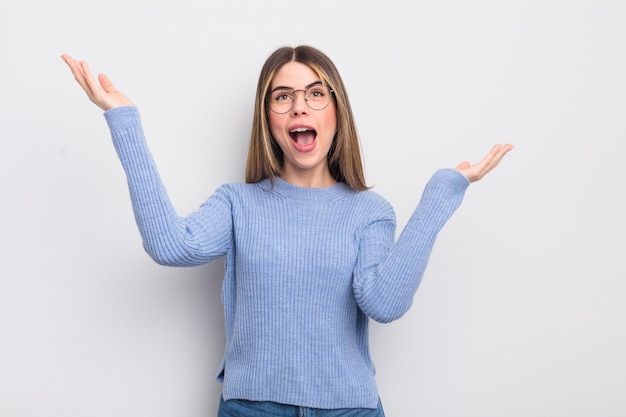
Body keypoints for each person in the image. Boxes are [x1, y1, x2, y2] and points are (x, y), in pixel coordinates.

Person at [61, 45, 513, 417]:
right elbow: (170, 245)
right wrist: (124, 120)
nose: (300, 105)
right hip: (250, 409)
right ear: (269, 117)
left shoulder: (369, 211)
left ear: (337, 111)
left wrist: (439, 197)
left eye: (316, 93)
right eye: (283, 96)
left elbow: (385, 302)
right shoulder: (238, 203)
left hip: (348, 410)